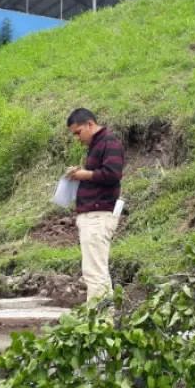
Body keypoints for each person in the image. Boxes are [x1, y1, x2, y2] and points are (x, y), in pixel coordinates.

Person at [65, 108, 125, 303]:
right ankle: (103, 321)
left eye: (77, 132)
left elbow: (112, 174)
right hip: (92, 215)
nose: (77, 138)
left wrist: (85, 174)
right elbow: (101, 173)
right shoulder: (98, 144)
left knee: (95, 273)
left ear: (90, 124)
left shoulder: (110, 142)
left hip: (99, 215)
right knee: (94, 271)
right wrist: (82, 173)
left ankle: (101, 323)